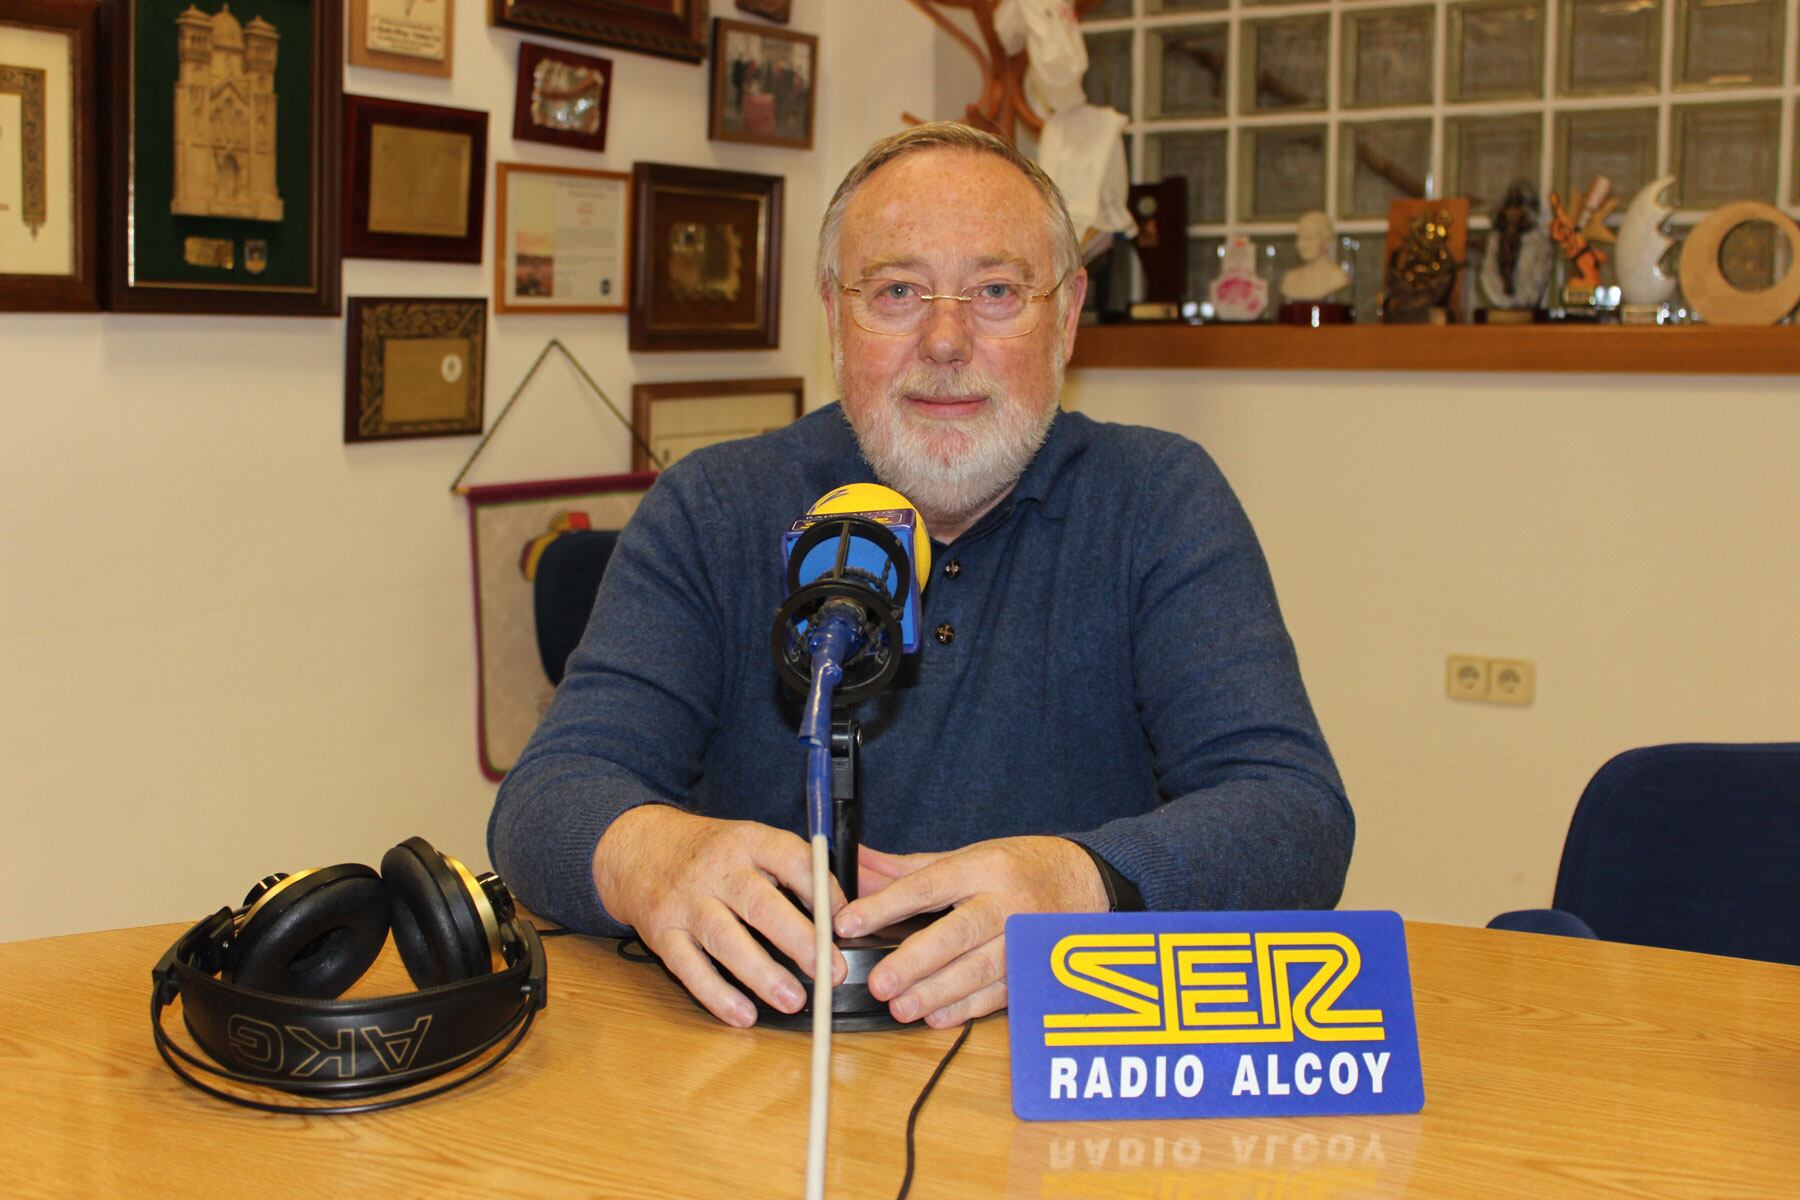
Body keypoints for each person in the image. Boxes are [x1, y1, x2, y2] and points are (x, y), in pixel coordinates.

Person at [488, 122, 1352, 1032]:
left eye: (994, 290)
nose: (945, 340)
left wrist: (1079, 883)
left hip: (1050, 1077)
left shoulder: (1159, 501)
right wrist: (651, 854)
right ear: (834, 315)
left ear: (1065, 317)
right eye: (898, 290)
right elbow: (546, 797)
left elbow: (1295, 815)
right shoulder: (711, 506)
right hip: (766, 1071)